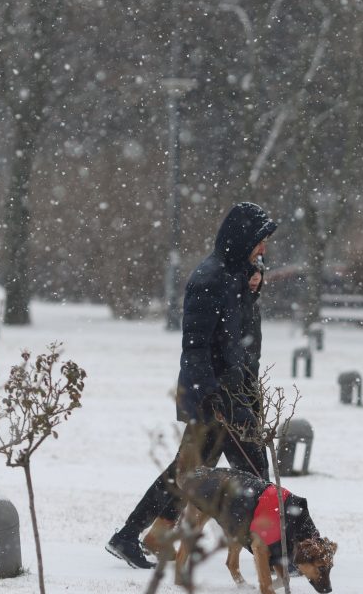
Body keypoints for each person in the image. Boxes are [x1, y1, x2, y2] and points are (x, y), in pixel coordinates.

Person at [106, 202, 277, 569]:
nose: (263, 249)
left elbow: (240, 338)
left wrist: (253, 288)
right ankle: (274, 551)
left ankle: (133, 536)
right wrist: (213, 396)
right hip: (218, 397)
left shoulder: (237, 277)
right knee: (254, 477)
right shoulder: (209, 279)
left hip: (235, 393)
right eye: (260, 241)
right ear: (242, 238)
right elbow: (196, 348)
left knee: (188, 476)